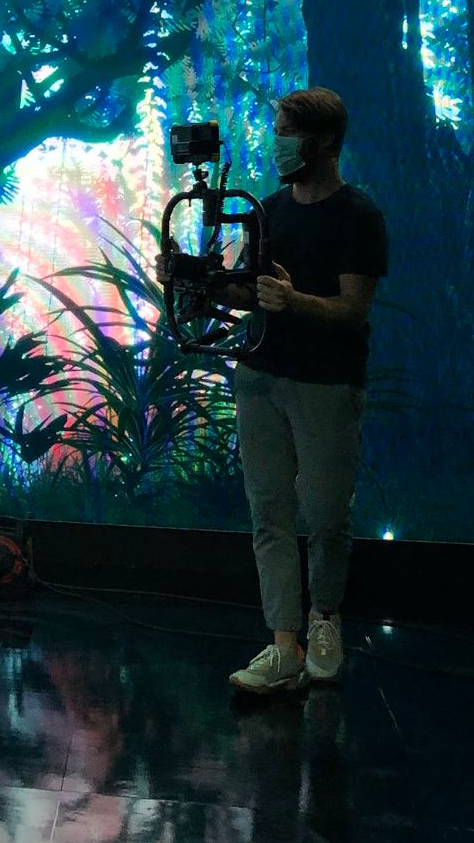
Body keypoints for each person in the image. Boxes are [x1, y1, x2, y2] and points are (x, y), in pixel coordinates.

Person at [164, 88, 387, 695]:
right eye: (278, 130)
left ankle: (324, 619)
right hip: (260, 375)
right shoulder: (267, 211)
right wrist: (195, 279)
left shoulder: (358, 216)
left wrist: (294, 301)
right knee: (269, 514)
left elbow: (353, 310)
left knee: (326, 515)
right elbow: (247, 291)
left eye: (288, 132)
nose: (278, 143)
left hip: (326, 385)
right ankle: (283, 644)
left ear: (325, 141)